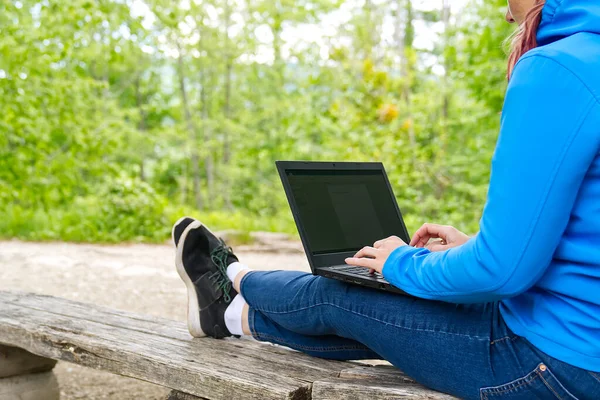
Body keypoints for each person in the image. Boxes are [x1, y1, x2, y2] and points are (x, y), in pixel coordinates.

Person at [171, 0, 600, 398]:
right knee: (378, 310)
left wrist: (401, 264)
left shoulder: (559, 67)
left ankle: (234, 277)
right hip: (576, 348)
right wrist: (474, 249)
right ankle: (228, 317)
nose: (509, 16)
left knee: (340, 295)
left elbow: (500, 273)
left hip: (553, 365)